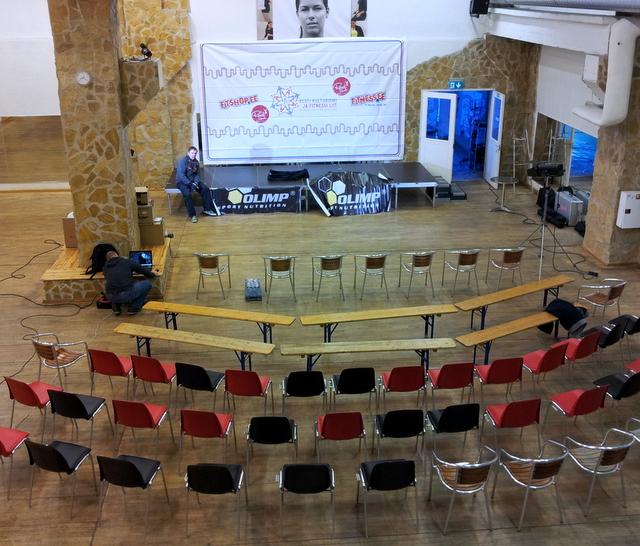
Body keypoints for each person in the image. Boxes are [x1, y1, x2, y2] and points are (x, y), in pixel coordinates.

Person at [103, 250, 157, 315]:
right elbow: (142, 270)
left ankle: (116, 308)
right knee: (147, 284)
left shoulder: (105, 267)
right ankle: (134, 308)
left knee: (115, 285)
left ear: (107, 259)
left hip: (110, 296)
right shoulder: (126, 261)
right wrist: (152, 273)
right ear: (117, 255)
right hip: (125, 294)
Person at [176, 146, 217, 223]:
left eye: (195, 153)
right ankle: (193, 215)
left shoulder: (196, 162)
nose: (193, 155)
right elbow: (181, 176)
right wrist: (190, 184)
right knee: (187, 195)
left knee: (205, 189)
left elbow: (197, 174)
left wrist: (196, 183)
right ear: (188, 153)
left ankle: (207, 209)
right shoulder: (182, 161)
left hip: (193, 182)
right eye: (192, 153)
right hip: (182, 182)